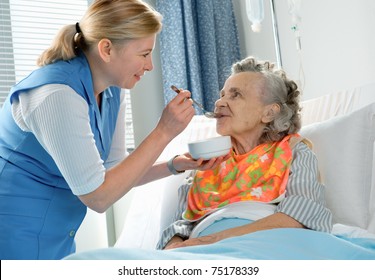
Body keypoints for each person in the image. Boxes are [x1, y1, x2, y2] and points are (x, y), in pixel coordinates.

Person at [0, 0, 225, 260]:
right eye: (143, 54)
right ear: (106, 48)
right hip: (14, 234)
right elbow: (98, 197)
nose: (150, 65)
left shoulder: (112, 91)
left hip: (57, 235)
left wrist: (175, 165)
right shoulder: (55, 95)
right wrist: (164, 131)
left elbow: (114, 171)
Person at [157, 56, 333, 250]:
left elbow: (300, 216)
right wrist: (172, 250)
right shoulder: (205, 162)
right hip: (200, 252)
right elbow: (180, 225)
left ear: (269, 113)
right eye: (222, 95)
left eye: (235, 95)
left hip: (265, 244)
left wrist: (213, 241)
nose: (219, 102)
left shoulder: (293, 152)